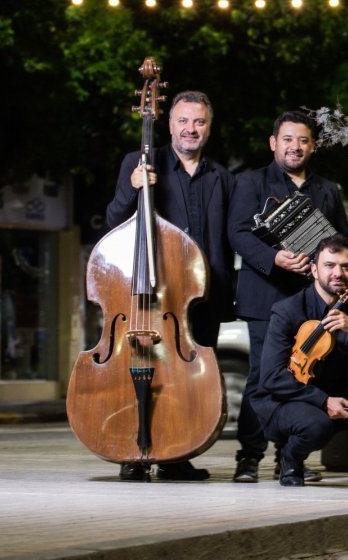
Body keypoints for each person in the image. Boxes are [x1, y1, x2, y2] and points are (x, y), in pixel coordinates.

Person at [105, 90, 235, 481]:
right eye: (183, 120)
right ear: (169, 123)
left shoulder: (222, 177)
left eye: (199, 122)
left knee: (188, 380)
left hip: (202, 294)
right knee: (146, 370)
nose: (190, 129)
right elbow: (113, 220)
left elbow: (232, 237)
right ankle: (135, 451)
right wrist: (133, 187)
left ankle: (177, 453)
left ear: (208, 127)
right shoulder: (142, 161)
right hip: (153, 292)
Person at [228, 110, 348, 484]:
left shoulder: (327, 190)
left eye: (302, 140)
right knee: (260, 378)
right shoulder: (250, 183)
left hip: (307, 300)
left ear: (312, 146)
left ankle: (291, 456)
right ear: (273, 143)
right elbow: (237, 233)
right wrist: (275, 257)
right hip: (263, 295)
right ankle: (248, 458)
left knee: (303, 373)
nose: (295, 147)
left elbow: (340, 242)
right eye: (287, 139)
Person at [251, 234, 348, 487]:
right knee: (317, 425)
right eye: (330, 266)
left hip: (337, 393)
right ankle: (290, 460)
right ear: (314, 270)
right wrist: (323, 401)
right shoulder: (288, 310)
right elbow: (271, 377)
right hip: (287, 401)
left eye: (345, 266)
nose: (338, 273)